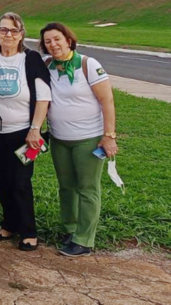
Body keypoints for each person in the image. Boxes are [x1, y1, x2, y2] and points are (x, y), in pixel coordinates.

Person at [41, 22, 118, 258]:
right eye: (47, 42)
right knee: (66, 187)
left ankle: (84, 239)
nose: (53, 45)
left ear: (68, 40)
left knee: (87, 188)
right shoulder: (47, 66)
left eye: (57, 39)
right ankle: (70, 229)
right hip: (59, 138)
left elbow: (107, 101)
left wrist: (108, 135)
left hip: (88, 139)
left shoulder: (88, 64)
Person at [0, 12, 51, 251]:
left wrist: (35, 129)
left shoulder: (31, 59)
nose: (8, 35)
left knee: (22, 181)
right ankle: (8, 225)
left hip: (26, 135)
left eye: (13, 30)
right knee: (2, 181)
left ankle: (28, 231)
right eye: (3, 30)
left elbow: (43, 98)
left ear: (21, 34)